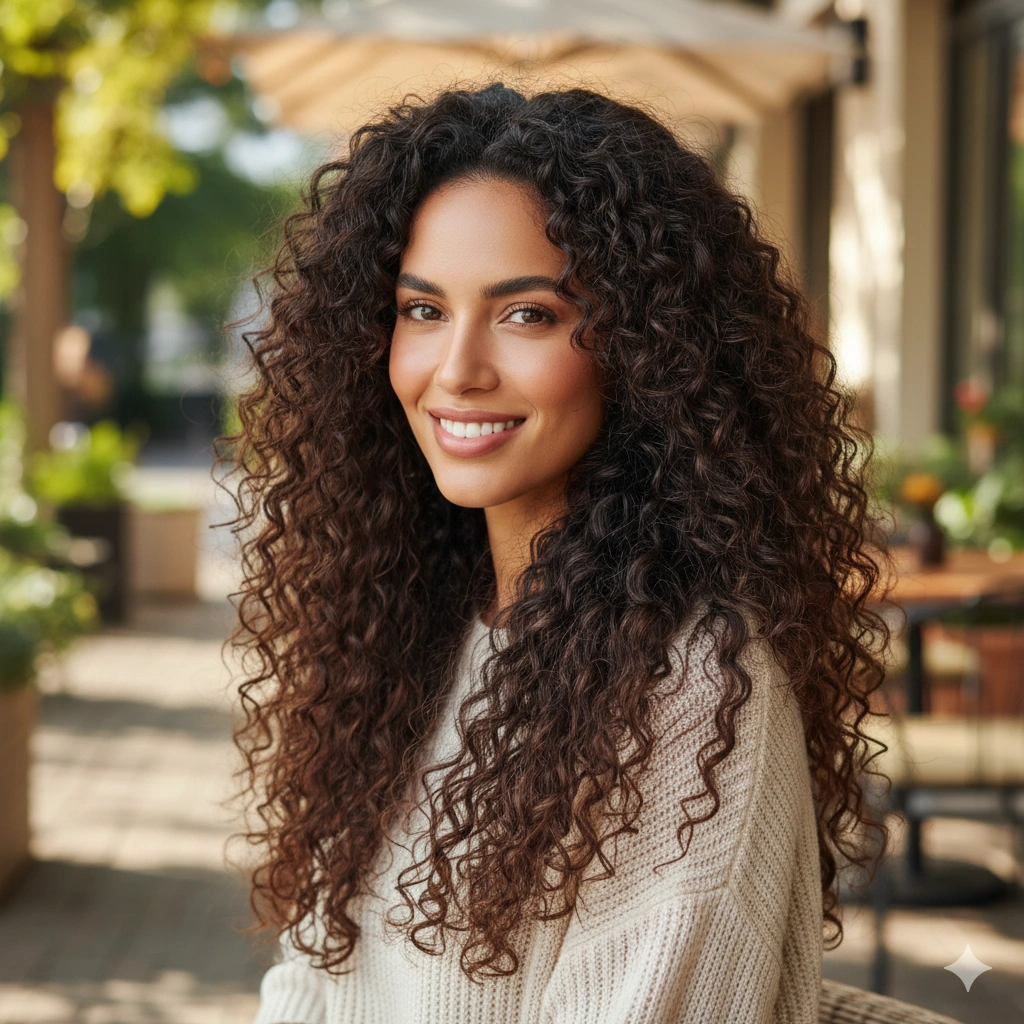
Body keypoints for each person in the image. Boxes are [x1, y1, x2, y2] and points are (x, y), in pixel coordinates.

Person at [226, 82, 891, 1024]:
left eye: (527, 314)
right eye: (423, 310)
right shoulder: (408, 630)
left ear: (647, 346)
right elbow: (313, 976)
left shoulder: (691, 684)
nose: (457, 370)